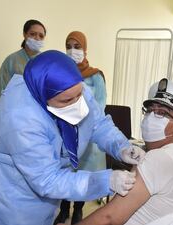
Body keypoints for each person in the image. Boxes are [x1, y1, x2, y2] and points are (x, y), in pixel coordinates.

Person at [0, 50, 146, 225]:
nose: (76, 105)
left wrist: (121, 147)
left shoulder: (73, 87)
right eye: (66, 102)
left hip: (49, 181)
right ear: (43, 97)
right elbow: (47, 180)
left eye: (79, 96)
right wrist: (106, 180)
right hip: (13, 191)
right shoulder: (21, 118)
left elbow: (98, 124)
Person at [73, 78, 173, 225]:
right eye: (150, 110)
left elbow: (109, 217)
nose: (151, 116)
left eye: (161, 113)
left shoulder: (160, 158)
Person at [54, 31, 107, 225]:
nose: (72, 50)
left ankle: (78, 209)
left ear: (85, 49)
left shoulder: (95, 77)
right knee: (64, 172)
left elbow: (100, 106)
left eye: (77, 46)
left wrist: (80, 121)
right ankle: (63, 208)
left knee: (82, 174)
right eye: (69, 46)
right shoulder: (60, 72)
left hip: (87, 135)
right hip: (63, 132)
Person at [0, 19, 46, 102]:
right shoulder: (11, 61)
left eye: (41, 36)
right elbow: (2, 91)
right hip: (14, 110)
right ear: (24, 34)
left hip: (39, 112)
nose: (37, 38)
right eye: (33, 34)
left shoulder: (46, 62)